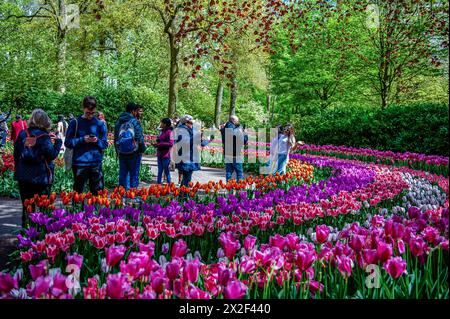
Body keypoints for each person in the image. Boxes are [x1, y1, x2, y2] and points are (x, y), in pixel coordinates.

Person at [13, 109, 62, 226]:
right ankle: (41, 236)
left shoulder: (23, 134)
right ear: (45, 121)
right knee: (43, 208)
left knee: (27, 208)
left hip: (24, 177)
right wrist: (58, 142)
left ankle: (26, 235)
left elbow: (16, 154)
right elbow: (51, 155)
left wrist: (19, 169)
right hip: (41, 177)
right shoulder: (44, 137)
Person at [65, 96, 108, 195]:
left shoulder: (100, 124)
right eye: (88, 112)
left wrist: (96, 141)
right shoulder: (75, 123)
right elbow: (67, 142)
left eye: (92, 113)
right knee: (78, 194)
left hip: (95, 163)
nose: (90, 115)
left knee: (98, 194)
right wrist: (82, 139)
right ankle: (77, 210)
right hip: (80, 163)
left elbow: (105, 144)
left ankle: (97, 211)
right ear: (83, 108)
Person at [114, 102, 146, 190]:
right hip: (134, 153)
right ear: (133, 111)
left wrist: (118, 152)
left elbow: (116, 138)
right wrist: (142, 149)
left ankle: (121, 196)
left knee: (123, 174)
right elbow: (139, 138)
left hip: (122, 152)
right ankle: (132, 197)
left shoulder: (119, 121)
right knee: (134, 175)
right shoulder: (134, 121)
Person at [173, 115, 210, 187]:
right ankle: (183, 195)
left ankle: (183, 195)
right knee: (186, 179)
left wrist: (208, 139)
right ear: (186, 123)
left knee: (187, 178)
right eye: (191, 123)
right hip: (186, 158)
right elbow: (186, 143)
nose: (193, 125)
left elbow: (200, 143)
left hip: (190, 158)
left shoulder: (190, 131)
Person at [220, 115, 248, 182]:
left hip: (227, 153)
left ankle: (229, 189)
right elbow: (243, 141)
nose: (238, 122)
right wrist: (245, 133)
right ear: (233, 120)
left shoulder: (223, 129)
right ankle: (239, 190)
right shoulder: (236, 130)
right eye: (237, 121)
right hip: (236, 153)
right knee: (239, 173)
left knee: (229, 172)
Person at [153, 118, 174, 184]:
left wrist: (160, 144)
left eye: (161, 123)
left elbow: (171, 143)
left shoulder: (170, 132)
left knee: (166, 170)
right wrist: (157, 141)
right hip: (160, 153)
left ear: (165, 124)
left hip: (166, 154)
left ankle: (169, 184)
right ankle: (158, 184)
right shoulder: (162, 131)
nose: (160, 124)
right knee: (159, 170)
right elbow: (161, 140)